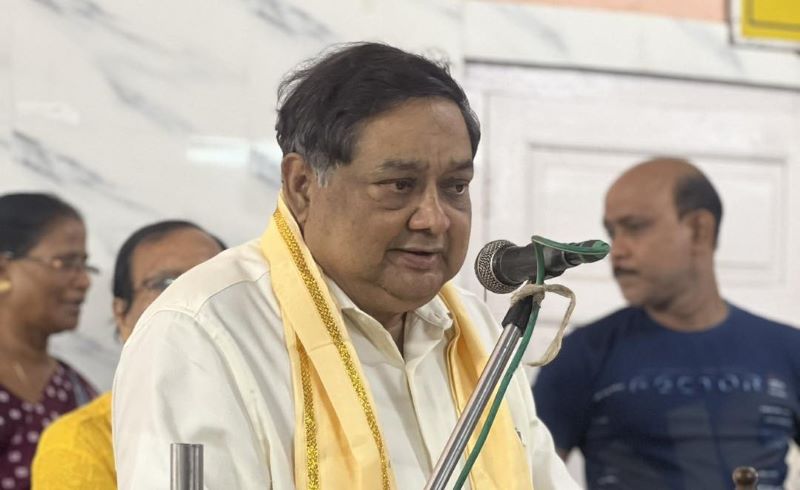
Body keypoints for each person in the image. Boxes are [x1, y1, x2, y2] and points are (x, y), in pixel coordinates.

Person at [112, 42, 577, 489]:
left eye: (455, 186)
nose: (434, 219)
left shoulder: (472, 328)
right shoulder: (203, 331)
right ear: (302, 185)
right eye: (399, 185)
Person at [533, 157, 800, 489]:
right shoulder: (582, 352)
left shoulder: (789, 350)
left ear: (699, 230)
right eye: (613, 232)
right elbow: (524, 477)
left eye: (635, 227)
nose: (617, 250)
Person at [30, 220, 225, 489]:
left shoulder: (273, 410)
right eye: (166, 283)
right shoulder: (85, 442)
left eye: (213, 280)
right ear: (122, 314)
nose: (195, 297)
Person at [0, 193, 98, 490]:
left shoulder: (78, 393)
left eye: (84, 265)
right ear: (3, 270)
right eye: (65, 263)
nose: (84, 281)